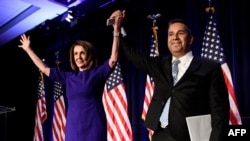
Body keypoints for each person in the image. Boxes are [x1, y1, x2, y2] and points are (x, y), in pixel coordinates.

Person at [119, 10, 229, 141]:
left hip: (191, 136)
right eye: (171, 34)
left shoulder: (209, 67)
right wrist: (119, 28)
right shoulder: (159, 65)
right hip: (160, 135)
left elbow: (220, 112)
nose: (175, 37)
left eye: (180, 33)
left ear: (191, 39)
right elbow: (134, 55)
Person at [18, 10, 125, 141]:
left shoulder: (97, 73)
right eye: (75, 54)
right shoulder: (69, 77)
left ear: (88, 55)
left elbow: (113, 58)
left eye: (82, 53)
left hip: (94, 127)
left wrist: (116, 30)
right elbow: (44, 69)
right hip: (73, 129)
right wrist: (28, 49)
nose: (78, 57)